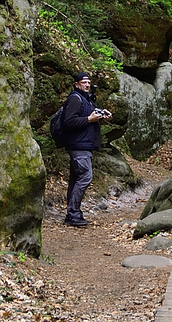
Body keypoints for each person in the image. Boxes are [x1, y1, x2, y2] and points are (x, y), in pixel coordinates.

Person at [60, 71, 109, 227]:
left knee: (76, 179)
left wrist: (101, 114)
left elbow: (86, 116)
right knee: (85, 177)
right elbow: (69, 121)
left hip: (83, 145)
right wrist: (89, 119)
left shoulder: (85, 99)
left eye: (88, 82)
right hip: (78, 146)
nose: (87, 85)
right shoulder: (75, 99)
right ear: (76, 84)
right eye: (83, 82)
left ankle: (73, 212)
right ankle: (73, 214)